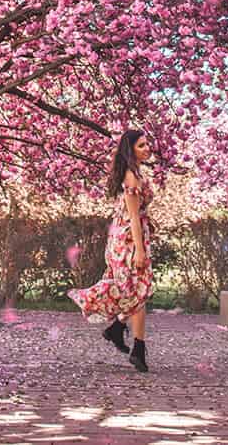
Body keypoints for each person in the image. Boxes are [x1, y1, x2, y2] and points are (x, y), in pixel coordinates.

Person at [68, 129, 155, 372]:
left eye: (148, 144)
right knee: (137, 289)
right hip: (128, 240)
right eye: (141, 146)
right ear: (130, 150)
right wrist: (139, 250)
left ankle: (118, 331)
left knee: (134, 288)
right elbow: (134, 218)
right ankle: (135, 346)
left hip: (126, 237)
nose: (147, 149)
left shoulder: (135, 174)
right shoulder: (131, 178)